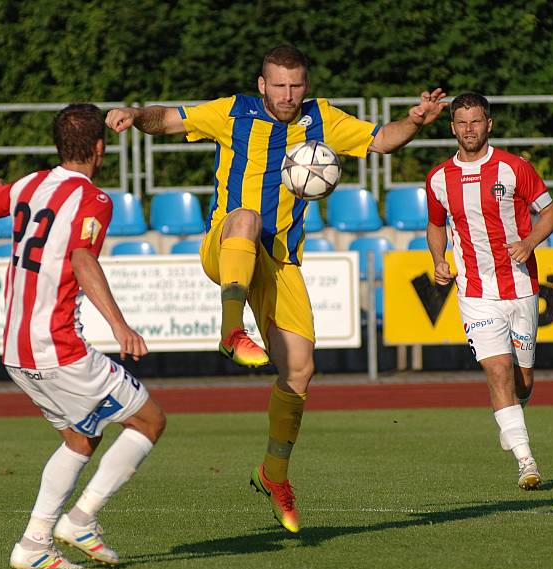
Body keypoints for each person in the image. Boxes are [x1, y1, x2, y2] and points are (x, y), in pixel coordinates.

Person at [105, 44, 445, 533]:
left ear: (306, 85)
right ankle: (230, 331)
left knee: (301, 372)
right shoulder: (232, 112)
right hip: (227, 245)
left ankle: (273, 475)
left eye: (296, 85)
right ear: (262, 84)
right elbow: (169, 119)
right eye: (279, 85)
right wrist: (135, 114)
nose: (288, 95)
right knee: (246, 216)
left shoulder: (322, 118)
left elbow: (382, 140)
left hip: (280, 263)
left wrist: (416, 120)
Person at [0, 104, 166, 569]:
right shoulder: (95, 200)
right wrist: (119, 325)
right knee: (149, 422)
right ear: (99, 147)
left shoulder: (29, 185)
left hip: (16, 348)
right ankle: (79, 520)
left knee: (80, 440)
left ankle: (33, 546)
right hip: (57, 347)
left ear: (58, 146)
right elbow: (81, 257)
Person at [425, 92, 553, 490]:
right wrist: (438, 260)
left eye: (476, 121)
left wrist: (530, 241)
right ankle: (526, 460)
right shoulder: (438, 178)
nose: (469, 129)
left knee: (523, 382)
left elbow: (551, 212)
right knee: (497, 371)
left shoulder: (514, 168)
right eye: (462, 123)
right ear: (452, 127)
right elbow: (435, 225)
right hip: (475, 292)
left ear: (489, 125)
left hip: (520, 287)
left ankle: (512, 415)